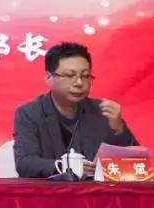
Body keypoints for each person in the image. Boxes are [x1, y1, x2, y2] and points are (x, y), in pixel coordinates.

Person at [13, 41, 137, 178]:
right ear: (49, 78)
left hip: (96, 190)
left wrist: (118, 129)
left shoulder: (103, 111)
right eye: (70, 75)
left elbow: (137, 166)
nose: (79, 83)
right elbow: (25, 163)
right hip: (49, 190)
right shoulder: (30, 113)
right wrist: (65, 167)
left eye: (85, 76)